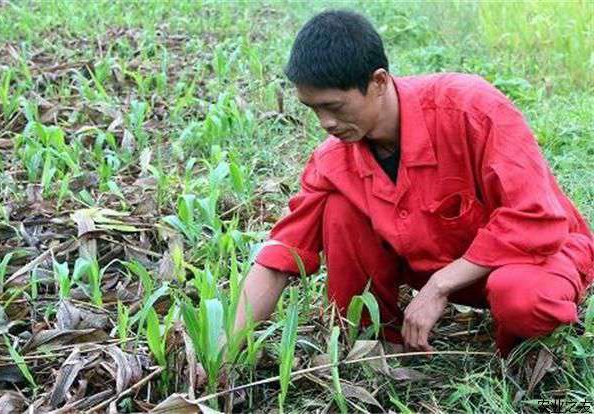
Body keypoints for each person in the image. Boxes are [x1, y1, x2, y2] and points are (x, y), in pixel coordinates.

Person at [233, 9, 594, 359]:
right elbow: (280, 256)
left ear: (378, 81)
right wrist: (223, 351)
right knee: (340, 208)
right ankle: (374, 343)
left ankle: (519, 355)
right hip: (446, 266)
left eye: (335, 107)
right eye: (313, 109)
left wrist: (440, 285)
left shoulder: (471, 110)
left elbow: (537, 219)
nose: (325, 123)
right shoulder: (334, 158)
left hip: (533, 259)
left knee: (523, 300)